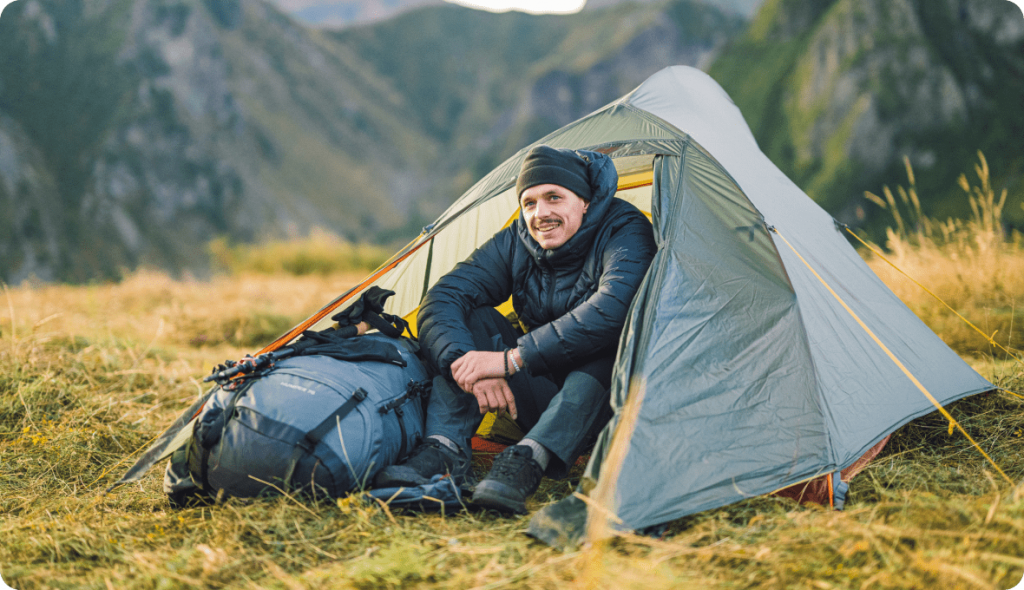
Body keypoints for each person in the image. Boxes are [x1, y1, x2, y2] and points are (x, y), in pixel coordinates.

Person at [373, 145, 657, 514]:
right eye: (530, 202)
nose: (541, 214)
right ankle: (444, 449)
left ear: (585, 201)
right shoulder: (517, 240)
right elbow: (442, 298)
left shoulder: (626, 230)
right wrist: (470, 368)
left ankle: (527, 459)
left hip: (601, 408)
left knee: (607, 349)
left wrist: (510, 360)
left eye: (554, 197)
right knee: (470, 320)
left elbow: (613, 309)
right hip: (536, 391)